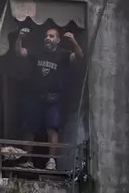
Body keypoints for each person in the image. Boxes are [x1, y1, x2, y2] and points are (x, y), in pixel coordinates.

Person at [15, 27, 83, 170]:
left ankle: (51, 161)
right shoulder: (38, 51)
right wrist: (19, 38)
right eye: (46, 36)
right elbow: (20, 52)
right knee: (30, 128)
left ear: (57, 40)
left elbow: (79, 56)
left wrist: (73, 41)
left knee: (52, 128)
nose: (47, 38)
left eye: (51, 36)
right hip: (34, 97)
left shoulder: (63, 54)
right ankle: (27, 160)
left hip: (53, 99)